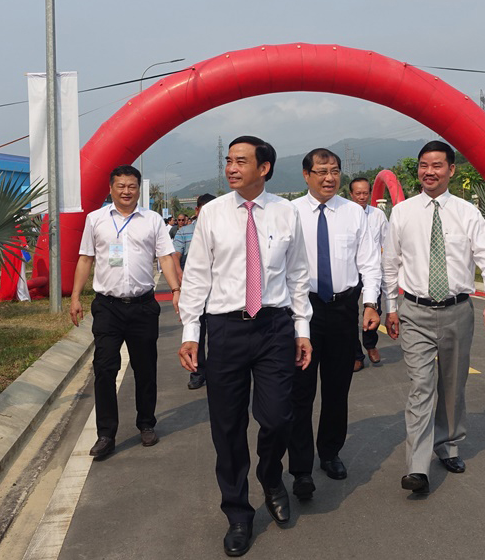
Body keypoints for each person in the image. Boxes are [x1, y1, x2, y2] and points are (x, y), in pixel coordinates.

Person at [177, 136, 312, 557]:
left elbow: (298, 275)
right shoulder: (213, 214)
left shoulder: (286, 213)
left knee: (276, 418)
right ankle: (238, 512)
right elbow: (197, 276)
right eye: (228, 161)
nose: (231, 168)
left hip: (274, 326)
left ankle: (271, 476)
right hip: (225, 329)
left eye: (240, 161)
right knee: (228, 426)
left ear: (264, 168)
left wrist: (302, 327)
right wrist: (190, 333)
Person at [383, 140, 485, 495]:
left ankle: (448, 445)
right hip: (414, 311)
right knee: (421, 386)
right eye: (423, 165)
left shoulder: (467, 212)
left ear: (451, 170)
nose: (429, 172)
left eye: (437, 165)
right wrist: (391, 307)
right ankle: (417, 468)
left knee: (452, 384)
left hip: (457, 310)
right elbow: (391, 264)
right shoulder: (402, 212)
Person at [70, 165, 181, 460]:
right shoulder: (96, 220)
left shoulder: (152, 220)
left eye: (132, 186)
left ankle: (146, 424)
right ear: (111, 188)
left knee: (145, 368)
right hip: (108, 307)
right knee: (105, 368)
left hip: (143, 306)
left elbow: (166, 258)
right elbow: (85, 259)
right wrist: (75, 296)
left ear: (138, 189)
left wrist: (176, 290)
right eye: (121, 186)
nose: (126, 191)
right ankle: (106, 433)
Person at [287, 150, 380, 500]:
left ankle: (329, 453)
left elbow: (369, 264)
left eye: (335, 171)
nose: (329, 178)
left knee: (337, 388)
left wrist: (370, 303)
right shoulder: (291, 214)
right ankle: (299, 468)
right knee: (301, 391)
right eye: (321, 171)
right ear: (306, 175)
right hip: (302, 312)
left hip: (342, 309)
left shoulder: (354, 214)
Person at [172, 193, 215, 390]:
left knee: (216, 336)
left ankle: (216, 372)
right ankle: (197, 372)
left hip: (217, 294)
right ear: (197, 211)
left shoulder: (223, 231)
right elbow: (175, 256)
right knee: (196, 334)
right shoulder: (185, 232)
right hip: (195, 290)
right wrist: (180, 275)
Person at [348, 177, 389, 369]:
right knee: (349, 314)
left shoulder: (377, 215)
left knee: (373, 309)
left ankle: (370, 345)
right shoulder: (344, 214)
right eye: (358, 193)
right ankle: (356, 354)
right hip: (350, 273)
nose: (362, 197)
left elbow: (385, 243)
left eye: (365, 193)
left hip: (372, 271)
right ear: (351, 194)